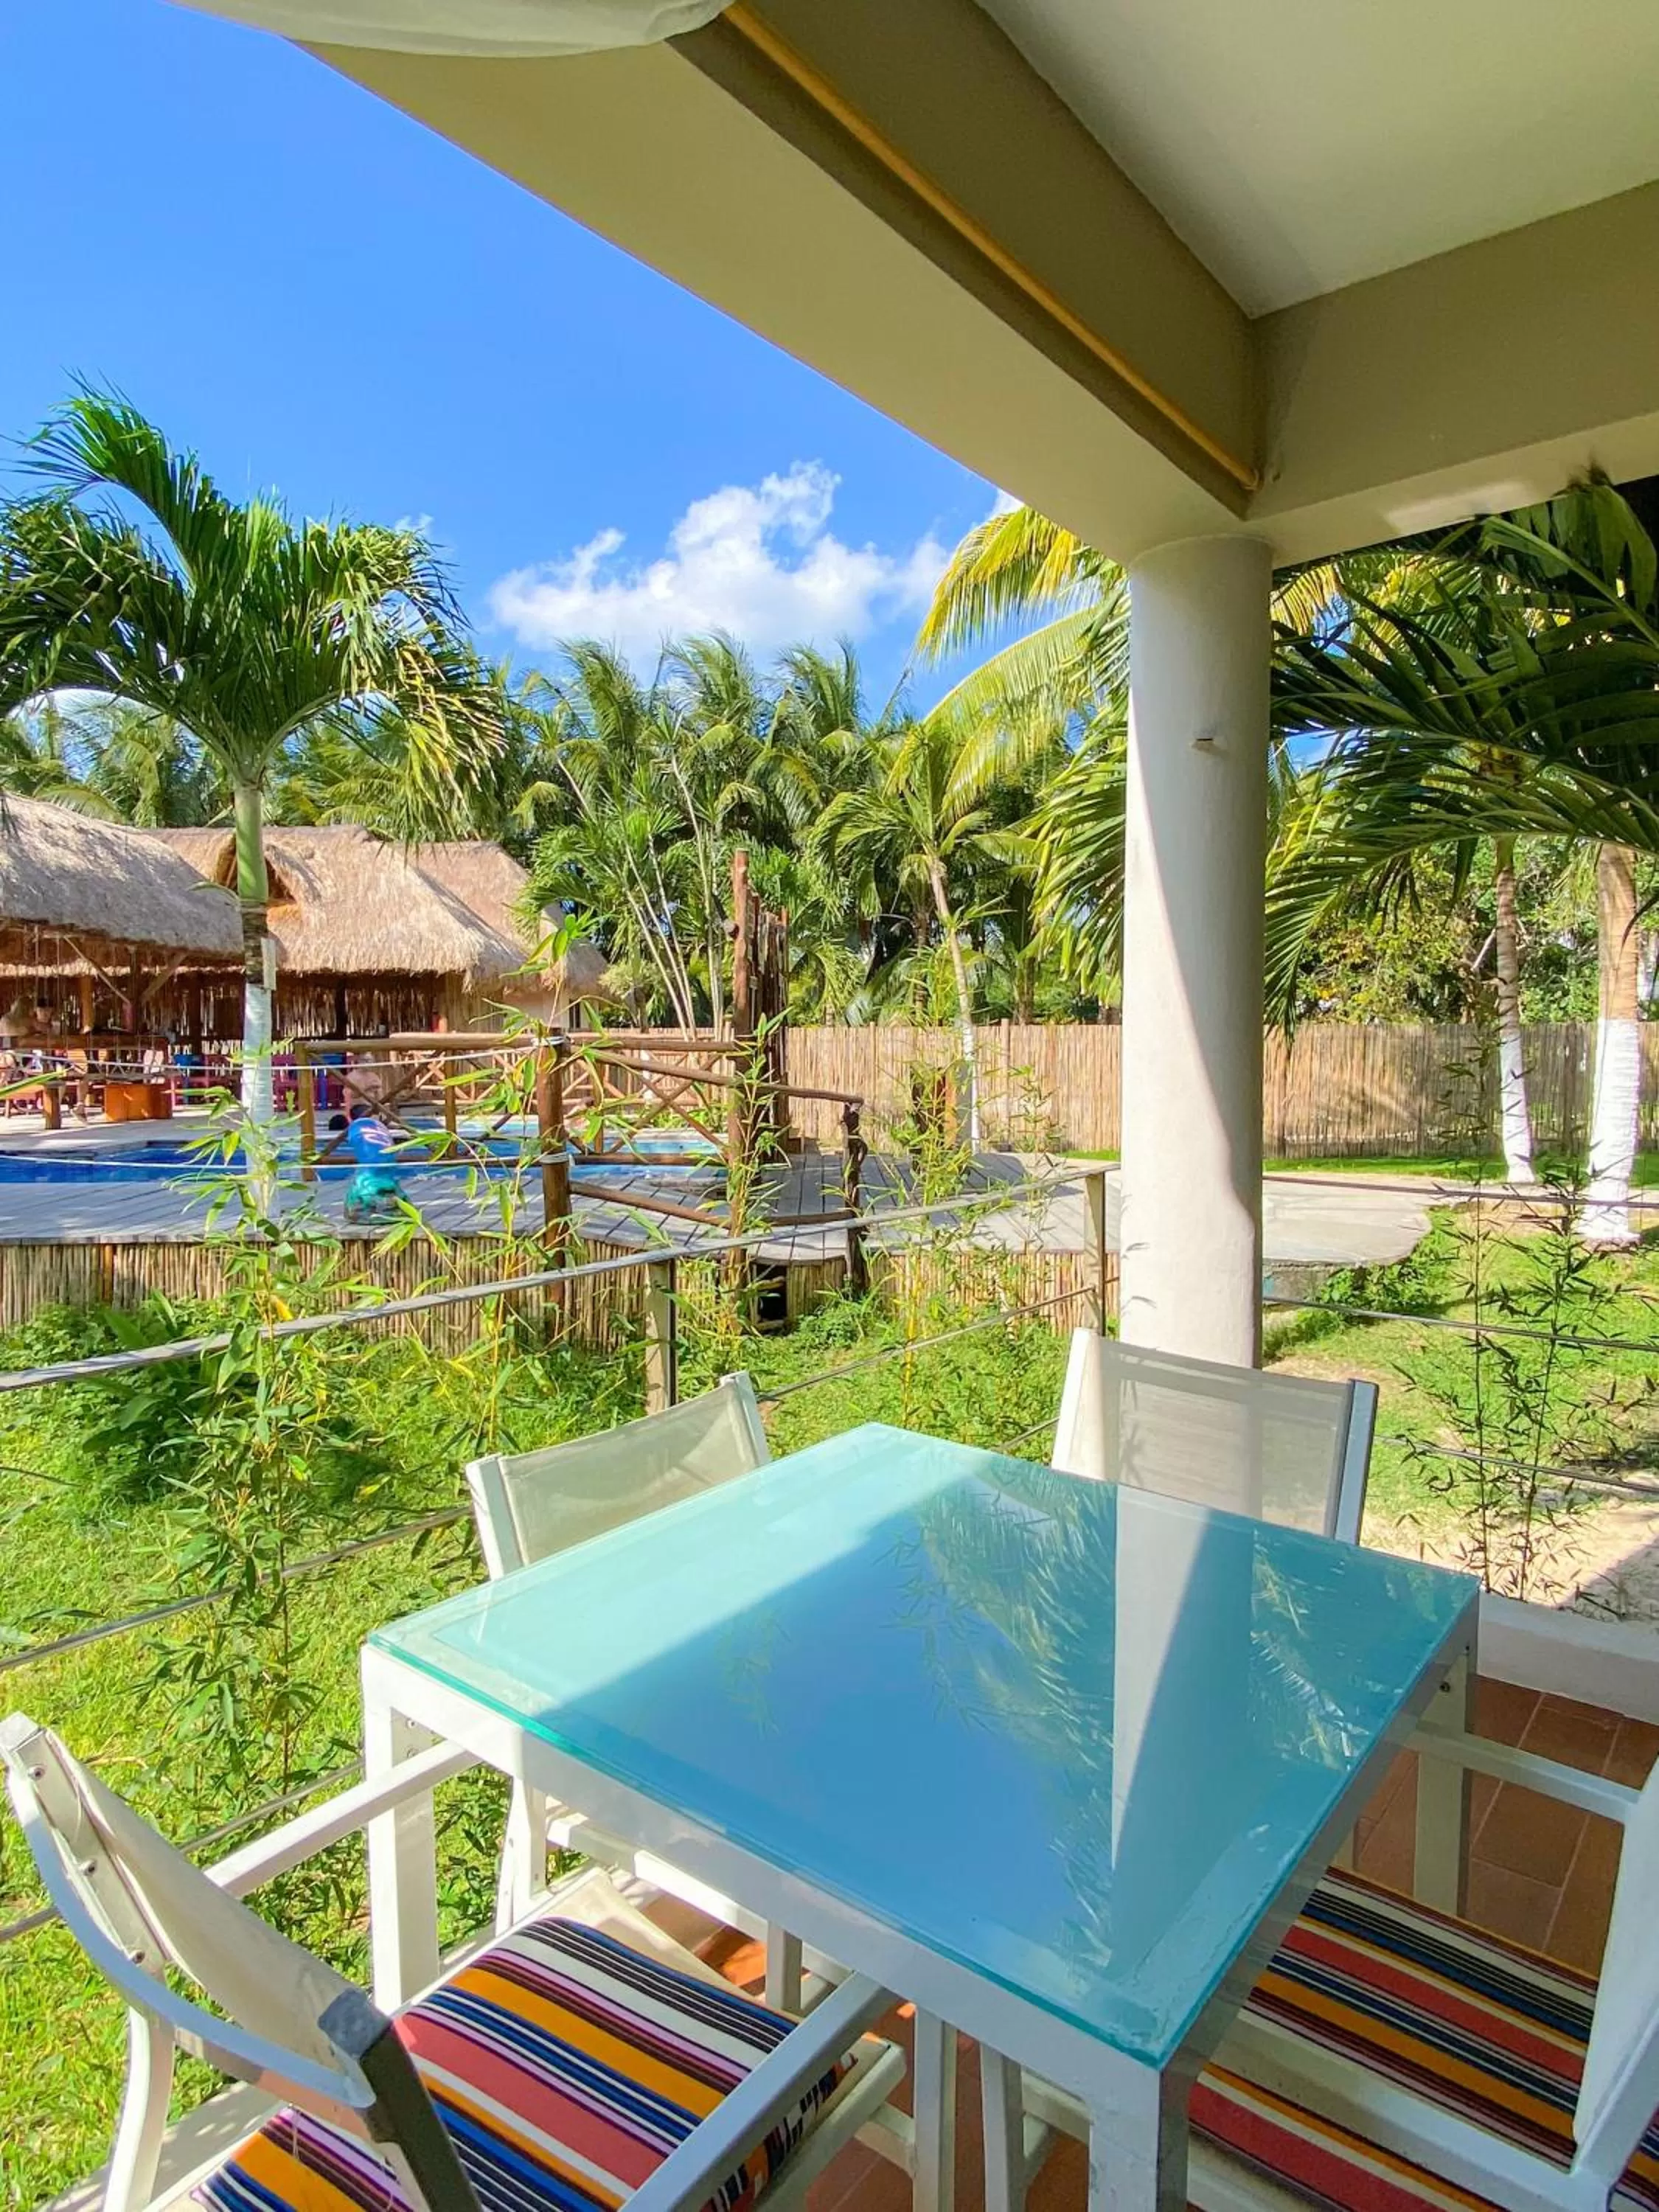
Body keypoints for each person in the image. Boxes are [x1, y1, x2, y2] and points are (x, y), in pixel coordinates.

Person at [341, 1101, 403, 1223]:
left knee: (364, 1181)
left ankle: (362, 1209)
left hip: (370, 1170)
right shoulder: (380, 1127)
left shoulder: (355, 1127)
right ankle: (391, 1204)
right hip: (389, 1163)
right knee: (383, 1179)